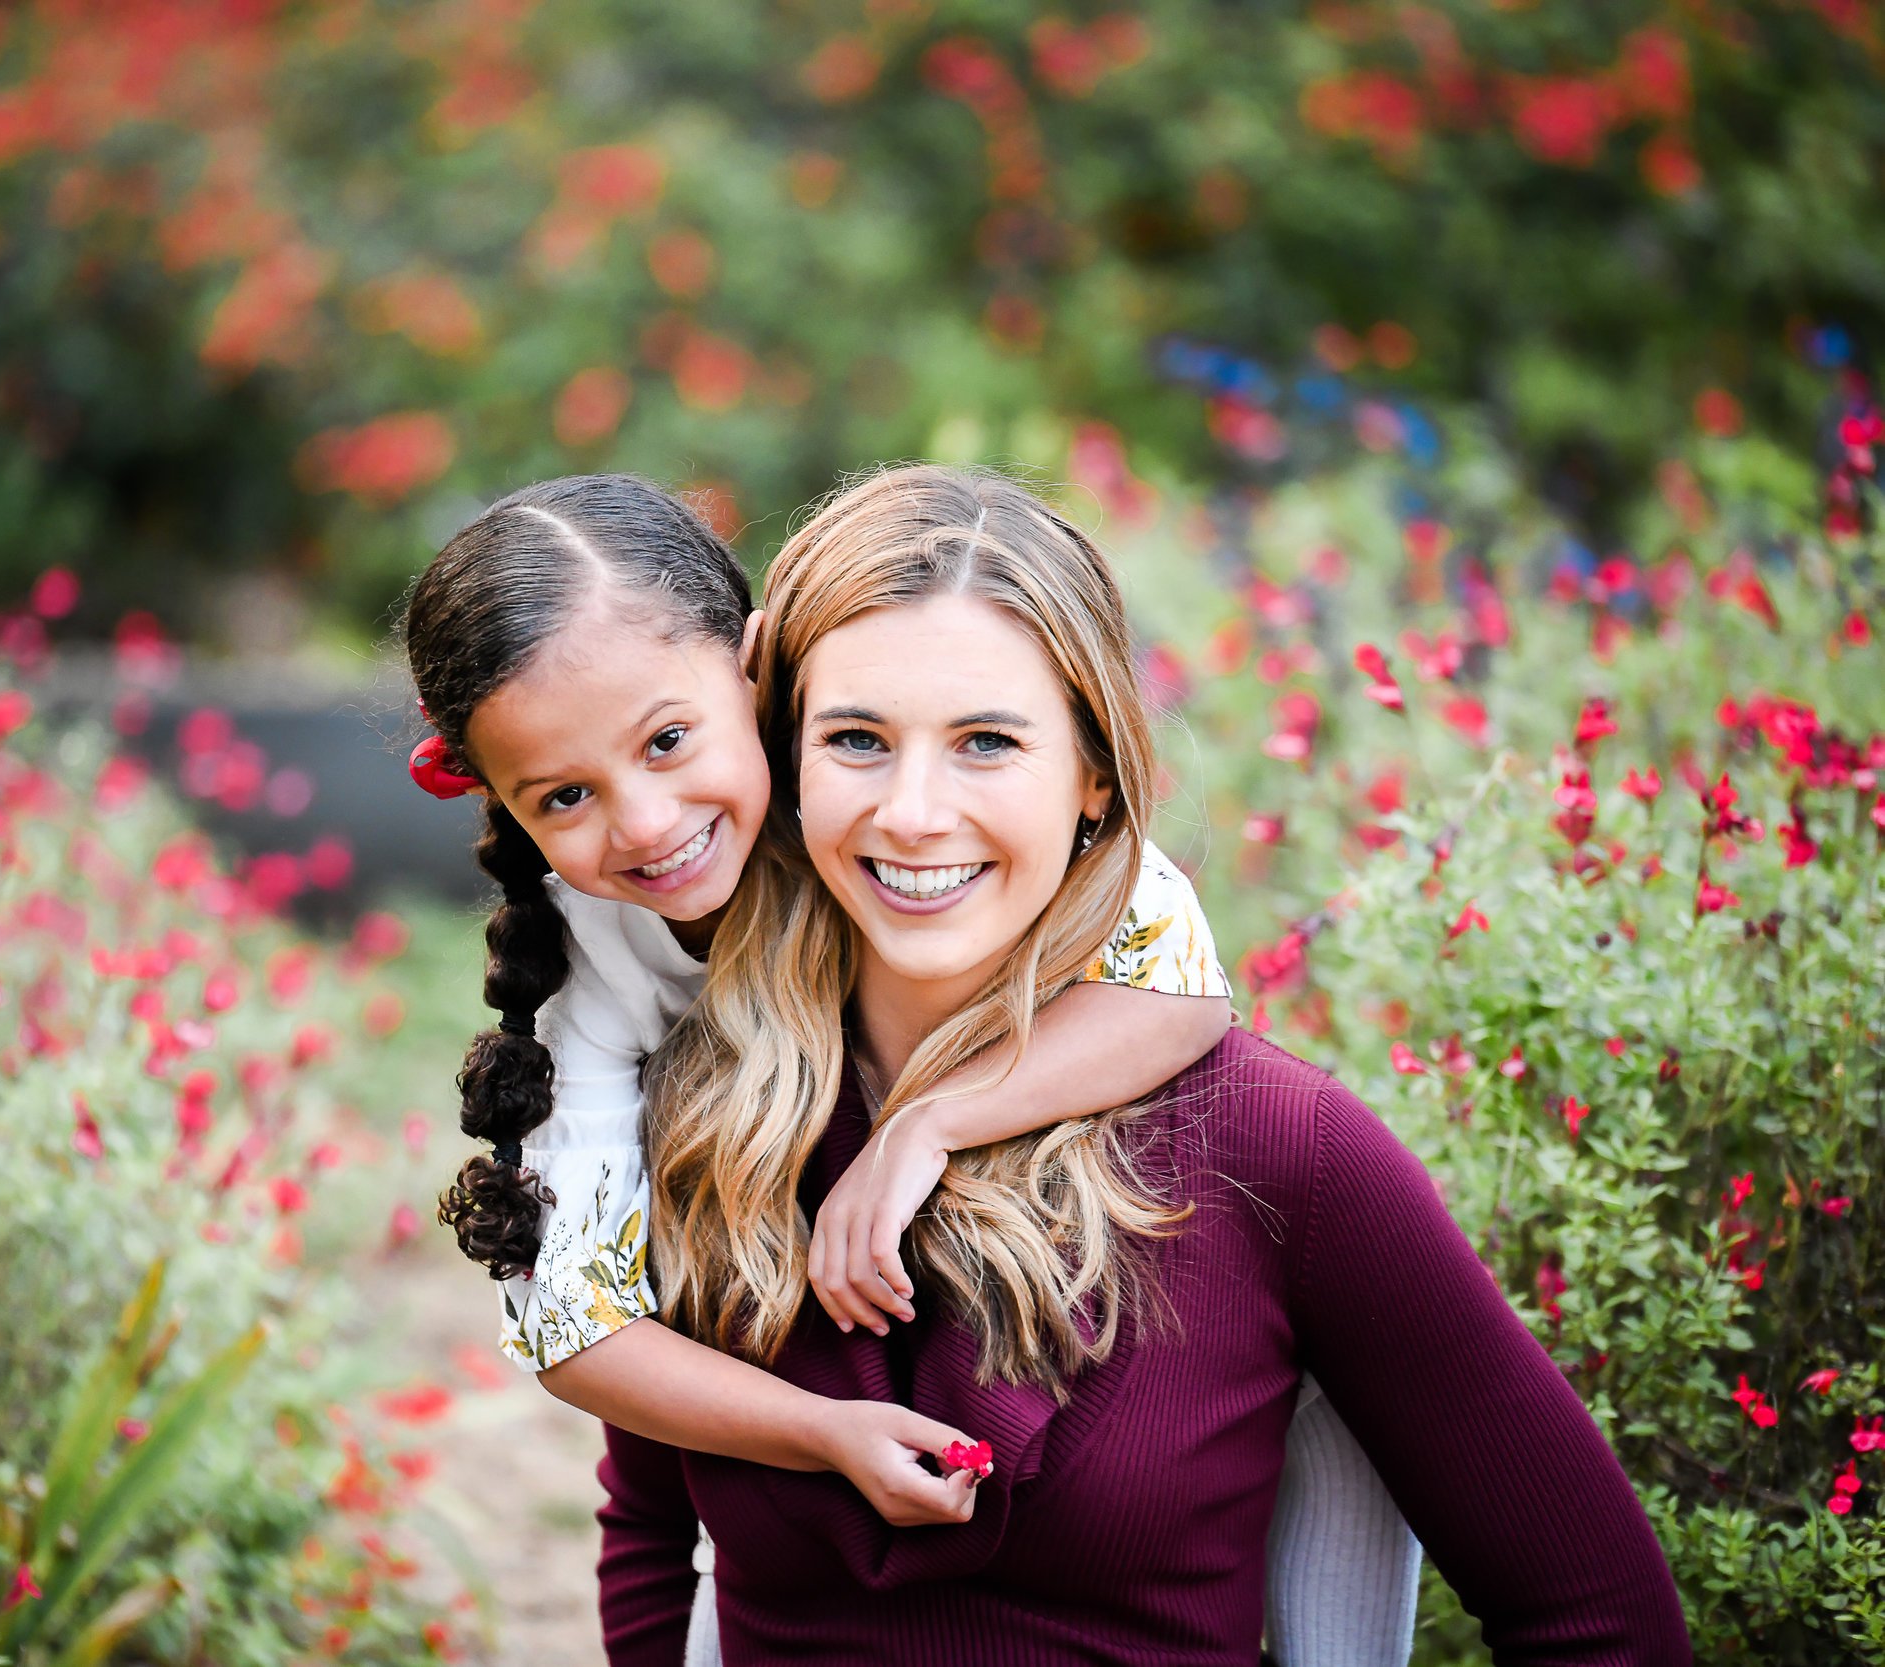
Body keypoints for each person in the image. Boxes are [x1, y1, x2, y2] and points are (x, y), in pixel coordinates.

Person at [600, 464, 1690, 1664]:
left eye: (987, 742)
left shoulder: (1277, 1146)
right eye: (855, 737)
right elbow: (650, 1527)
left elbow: (1598, 1618)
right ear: (782, 760)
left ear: (1095, 777)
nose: (912, 811)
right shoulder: (702, 1110)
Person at [402, 474, 1423, 1663]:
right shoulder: (596, 956)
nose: (642, 824)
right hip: (765, 1284)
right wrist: (819, 1431)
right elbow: (571, 1321)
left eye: (669, 740)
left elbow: (1182, 985)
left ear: (759, 668)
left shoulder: (884, 795)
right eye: (565, 796)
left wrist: (921, 1125)